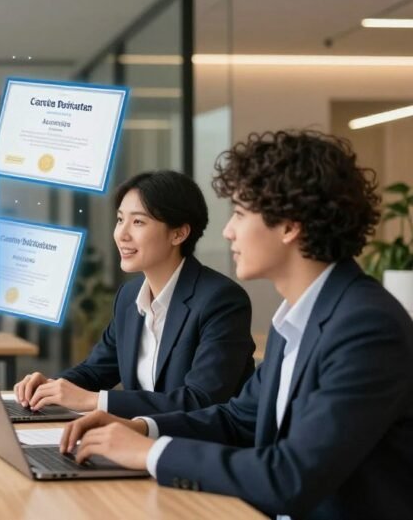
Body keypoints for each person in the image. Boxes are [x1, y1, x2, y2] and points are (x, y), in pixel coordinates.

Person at [60, 131, 413, 519]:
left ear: (289, 226)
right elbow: (237, 418)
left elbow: (290, 477)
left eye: (241, 214)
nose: (228, 230)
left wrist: (150, 453)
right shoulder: (296, 318)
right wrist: (141, 428)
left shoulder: (365, 328)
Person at [14, 170, 254, 418]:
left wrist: (95, 400)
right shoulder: (130, 297)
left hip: (196, 449)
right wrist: (51, 387)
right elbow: (96, 370)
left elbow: (200, 400)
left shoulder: (220, 300)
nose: (122, 234)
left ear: (179, 233)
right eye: (120, 220)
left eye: (138, 222)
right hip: (137, 441)